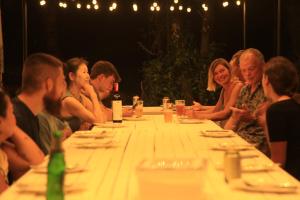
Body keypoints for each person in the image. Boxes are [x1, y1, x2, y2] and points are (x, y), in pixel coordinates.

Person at [12, 53, 66, 155]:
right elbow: (30, 166)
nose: (63, 89)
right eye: (62, 81)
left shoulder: (31, 114)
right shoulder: (15, 117)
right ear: (49, 84)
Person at [224, 48, 270, 156]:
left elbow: (275, 123)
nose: (247, 74)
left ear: (263, 66)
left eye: (251, 69)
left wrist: (252, 118)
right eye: (244, 70)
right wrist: (234, 120)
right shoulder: (245, 90)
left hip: (258, 144)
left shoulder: (270, 87)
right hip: (240, 139)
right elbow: (232, 120)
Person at [262, 56, 300, 180]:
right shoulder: (295, 103)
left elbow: (278, 163)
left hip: (291, 180)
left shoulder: (276, 110)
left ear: (267, 80)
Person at [0, 90, 44, 184]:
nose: (15, 117)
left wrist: (11, 127)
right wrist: (10, 126)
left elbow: (38, 161)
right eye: (12, 112)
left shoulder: (3, 147)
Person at [192, 58, 243, 126]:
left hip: (232, 129)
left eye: (222, 71)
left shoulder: (238, 86)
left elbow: (225, 113)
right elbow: (216, 110)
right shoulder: (224, 89)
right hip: (223, 125)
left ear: (229, 70)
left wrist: (198, 115)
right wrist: (194, 113)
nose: (220, 75)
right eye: (216, 73)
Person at [60, 58, 105, 131]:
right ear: (72, 76)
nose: (88, 76)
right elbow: (99, 121)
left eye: (87, 72)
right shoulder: (68, 100)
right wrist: (93, 95)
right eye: (84, 72)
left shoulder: (81, 98)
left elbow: (102, 118)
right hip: (65, 141)